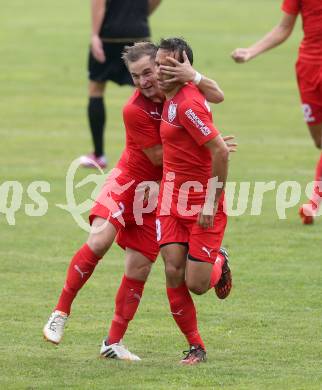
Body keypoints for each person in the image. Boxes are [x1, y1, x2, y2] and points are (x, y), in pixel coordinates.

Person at [43, 42, 233, 361]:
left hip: (158, 192)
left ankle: (112, 343)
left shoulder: (178, 92)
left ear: (161, 67)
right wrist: (205, 142)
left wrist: (196, 83)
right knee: (100, 239)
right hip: (128, 181)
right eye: (136, 76)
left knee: (140, 267)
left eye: (148, 72)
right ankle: (60, 311)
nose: (144, 81)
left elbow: (216, 95)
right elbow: (160, 156)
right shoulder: (134, 109)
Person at [155, 37, 232, 365]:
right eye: (158, 64)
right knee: (172, 270)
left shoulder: (188, 103)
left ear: (184, 67)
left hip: (201, 202)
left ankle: (219, 261)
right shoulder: (168, 95)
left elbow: (221, 151)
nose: (160, 71)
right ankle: (195, 346)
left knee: (197, 284)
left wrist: (209, 203)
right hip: (171, 198)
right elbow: (218, 95)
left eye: (168, 65)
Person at [231, 0, 322, 224]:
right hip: (309, 69)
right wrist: (251, 51)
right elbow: (284, 27)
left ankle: (314, 201)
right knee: (319, 141)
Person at [79, 0, 162, 169]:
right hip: (138, 34)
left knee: (96, 89)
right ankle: (159, 148)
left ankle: (98, 155)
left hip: (108, 34)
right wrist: (139, 15)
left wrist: (94, 35)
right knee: (150, 89)